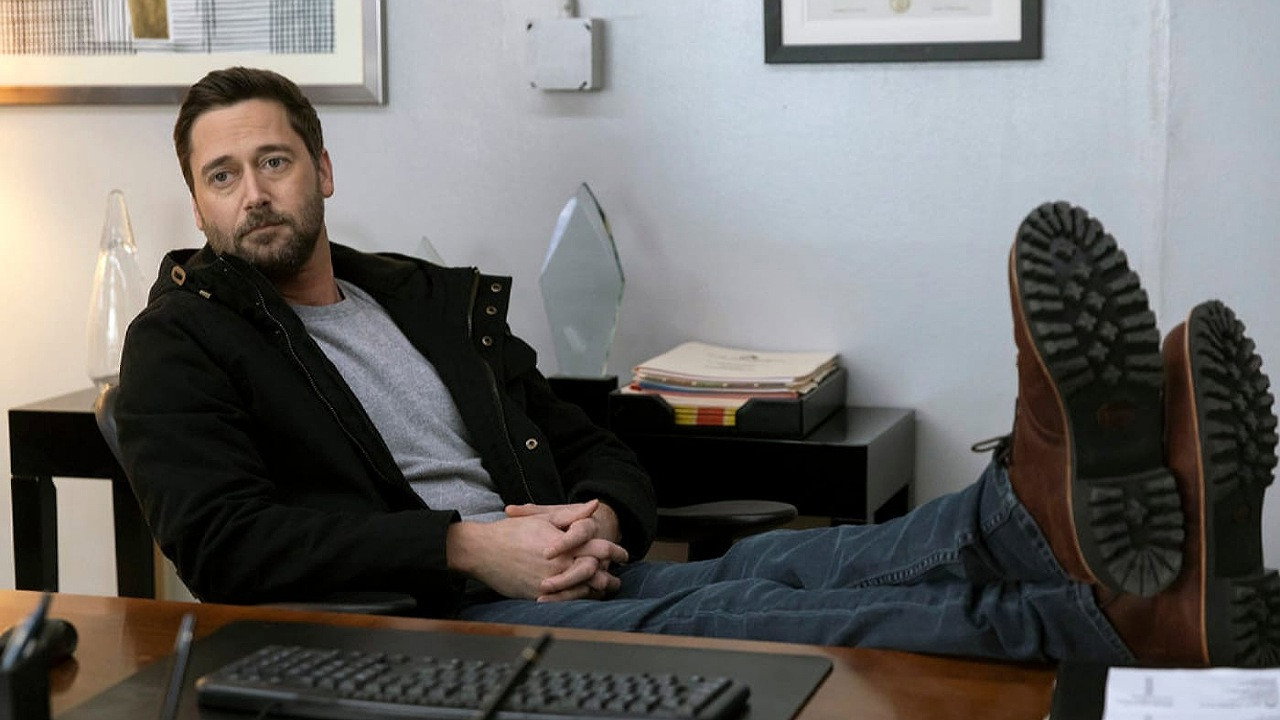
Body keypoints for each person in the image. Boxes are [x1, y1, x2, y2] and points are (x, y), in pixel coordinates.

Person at [117, 66, 1279, 667]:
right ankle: (1117, 609)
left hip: (556, 570)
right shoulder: (181, 341)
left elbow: (587, 442)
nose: (254, 191)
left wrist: (598, 521)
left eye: (275, 160)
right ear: (197, 201)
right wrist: (467, 547)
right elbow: (222, 541)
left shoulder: (421, 301)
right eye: (223, 175)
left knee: (792, 560)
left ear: (323, 169)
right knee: (755, 613)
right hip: (432, 613)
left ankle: (1039, 517)